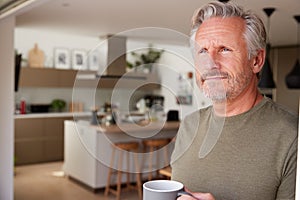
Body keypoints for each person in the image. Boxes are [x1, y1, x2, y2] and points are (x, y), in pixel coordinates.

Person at [171, 1, 298, 200]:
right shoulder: (189, 126)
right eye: (202, 51)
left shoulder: (292, 135)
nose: (210, 63)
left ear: (256, 60)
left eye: (224, 49)